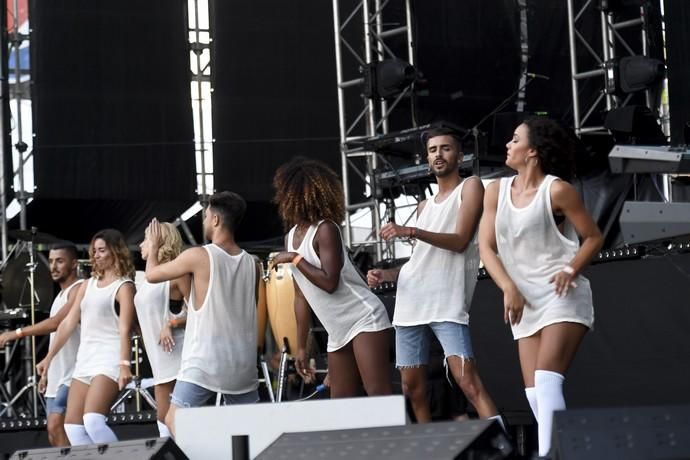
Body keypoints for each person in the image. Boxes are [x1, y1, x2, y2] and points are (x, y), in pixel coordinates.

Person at [478, 117, 603, 456]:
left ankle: (550, 455)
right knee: (533, 392)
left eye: (514, 139)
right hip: (522, 299)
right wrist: (508, 287)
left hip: (562, 294)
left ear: (532, 151)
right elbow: (486, 248)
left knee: (547, 381)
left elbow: (593, 237)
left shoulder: (558, 190)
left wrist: (570, 268)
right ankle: (567, 449)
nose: (507, 144)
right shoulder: (495, 191)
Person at [366, 128, 502, 427]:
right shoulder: (423, 206)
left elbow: (460, 241)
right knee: (412, 388)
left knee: (468, 383)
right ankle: (429, 447)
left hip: (447, 302)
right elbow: (419, 261)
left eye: (445, 148)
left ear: (460, 155)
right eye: (432, 150)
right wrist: (385, 273)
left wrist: (411, 231)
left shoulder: (471, 187)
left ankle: (502, 445)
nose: (438, 155)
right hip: (411, 301)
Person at [272, 157, 392, 398]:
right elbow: (300, 297)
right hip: (337, 330)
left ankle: (402, 436)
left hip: (363, 318)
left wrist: (295, 259)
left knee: (378, 394)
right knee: (342, 403)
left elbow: (329, 282)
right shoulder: (291, 236)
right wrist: (302, 346)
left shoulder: (326, 229)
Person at [144, 191, 258, 437]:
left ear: (216, 220)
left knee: (173, 420)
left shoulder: (199, 255)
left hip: (205, 361)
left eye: (206, 216)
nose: (204, 221)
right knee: (247, 433)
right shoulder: (252, 263)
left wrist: (153, 248)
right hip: (243, 363)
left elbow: (152, 275)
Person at [38, 229, 136, 446]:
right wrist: (49, 358)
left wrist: (124, 364)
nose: (97, 255)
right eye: (94, 251)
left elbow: (125, 329)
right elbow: (67, 324)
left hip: (109, 359)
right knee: (72, 427)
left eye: (102, 250)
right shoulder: (86, 285)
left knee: (93, 421)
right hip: (84, 361)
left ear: (116, 252)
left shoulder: (124, 286)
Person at [0, 244, 83, 446]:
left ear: (74, 264)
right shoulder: (60, 296)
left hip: (75, 372)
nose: (53, 266)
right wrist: (46, 372)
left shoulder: (80, 288)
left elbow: (56, 324)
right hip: (58, 373)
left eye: (60, 261)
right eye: (51, 261)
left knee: (58, 425)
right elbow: (58, 338)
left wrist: (16, 333)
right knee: (54, 433)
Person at [136, 222, 190, 438]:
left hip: (178, 353)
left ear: (159, 241)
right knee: (162, 417)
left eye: (146, 239)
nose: (140, 244)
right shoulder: (149, 277)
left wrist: (171, 324)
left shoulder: (177, 272)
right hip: (159, 358)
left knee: (174, 418)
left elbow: (199, 311)